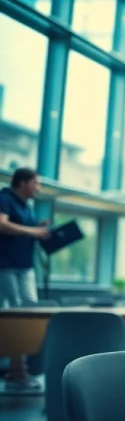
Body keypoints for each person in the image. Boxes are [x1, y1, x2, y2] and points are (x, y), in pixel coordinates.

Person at [0, 168, 50, 392]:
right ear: (22, 183)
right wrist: (32, 232)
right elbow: (1, 224)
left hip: (25, 267)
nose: (38, 187)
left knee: (31, 314)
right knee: (15, 316)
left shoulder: (26, 206)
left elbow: (26, 230)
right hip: (7, 267)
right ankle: (16, 371)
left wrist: (37, 229)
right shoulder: (5, 199)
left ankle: (21, 369)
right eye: (35, 183)